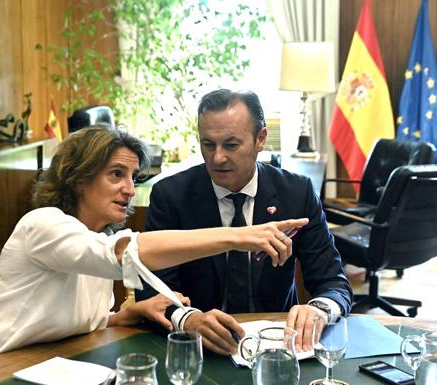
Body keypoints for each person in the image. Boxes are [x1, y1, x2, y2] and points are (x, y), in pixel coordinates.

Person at [0, 125, 307, 373]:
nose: (130, 190)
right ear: (78, 178)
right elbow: (126, 253)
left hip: (31, 368)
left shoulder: (97, 239)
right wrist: (239, 236)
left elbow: (65, 319)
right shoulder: (44, 225)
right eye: (116, 175)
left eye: (133, 177)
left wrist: (124, 316)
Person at [136, 89, 352, 355]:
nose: (217, 158)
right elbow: (151, 291)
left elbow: (334, 282)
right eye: (208, 144)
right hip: (200, 348)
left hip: (278, 346)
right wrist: (189, 319)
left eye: (230, 145)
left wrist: (318, 310)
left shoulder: (296, 193)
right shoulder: (172, 196)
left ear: (260, 139)